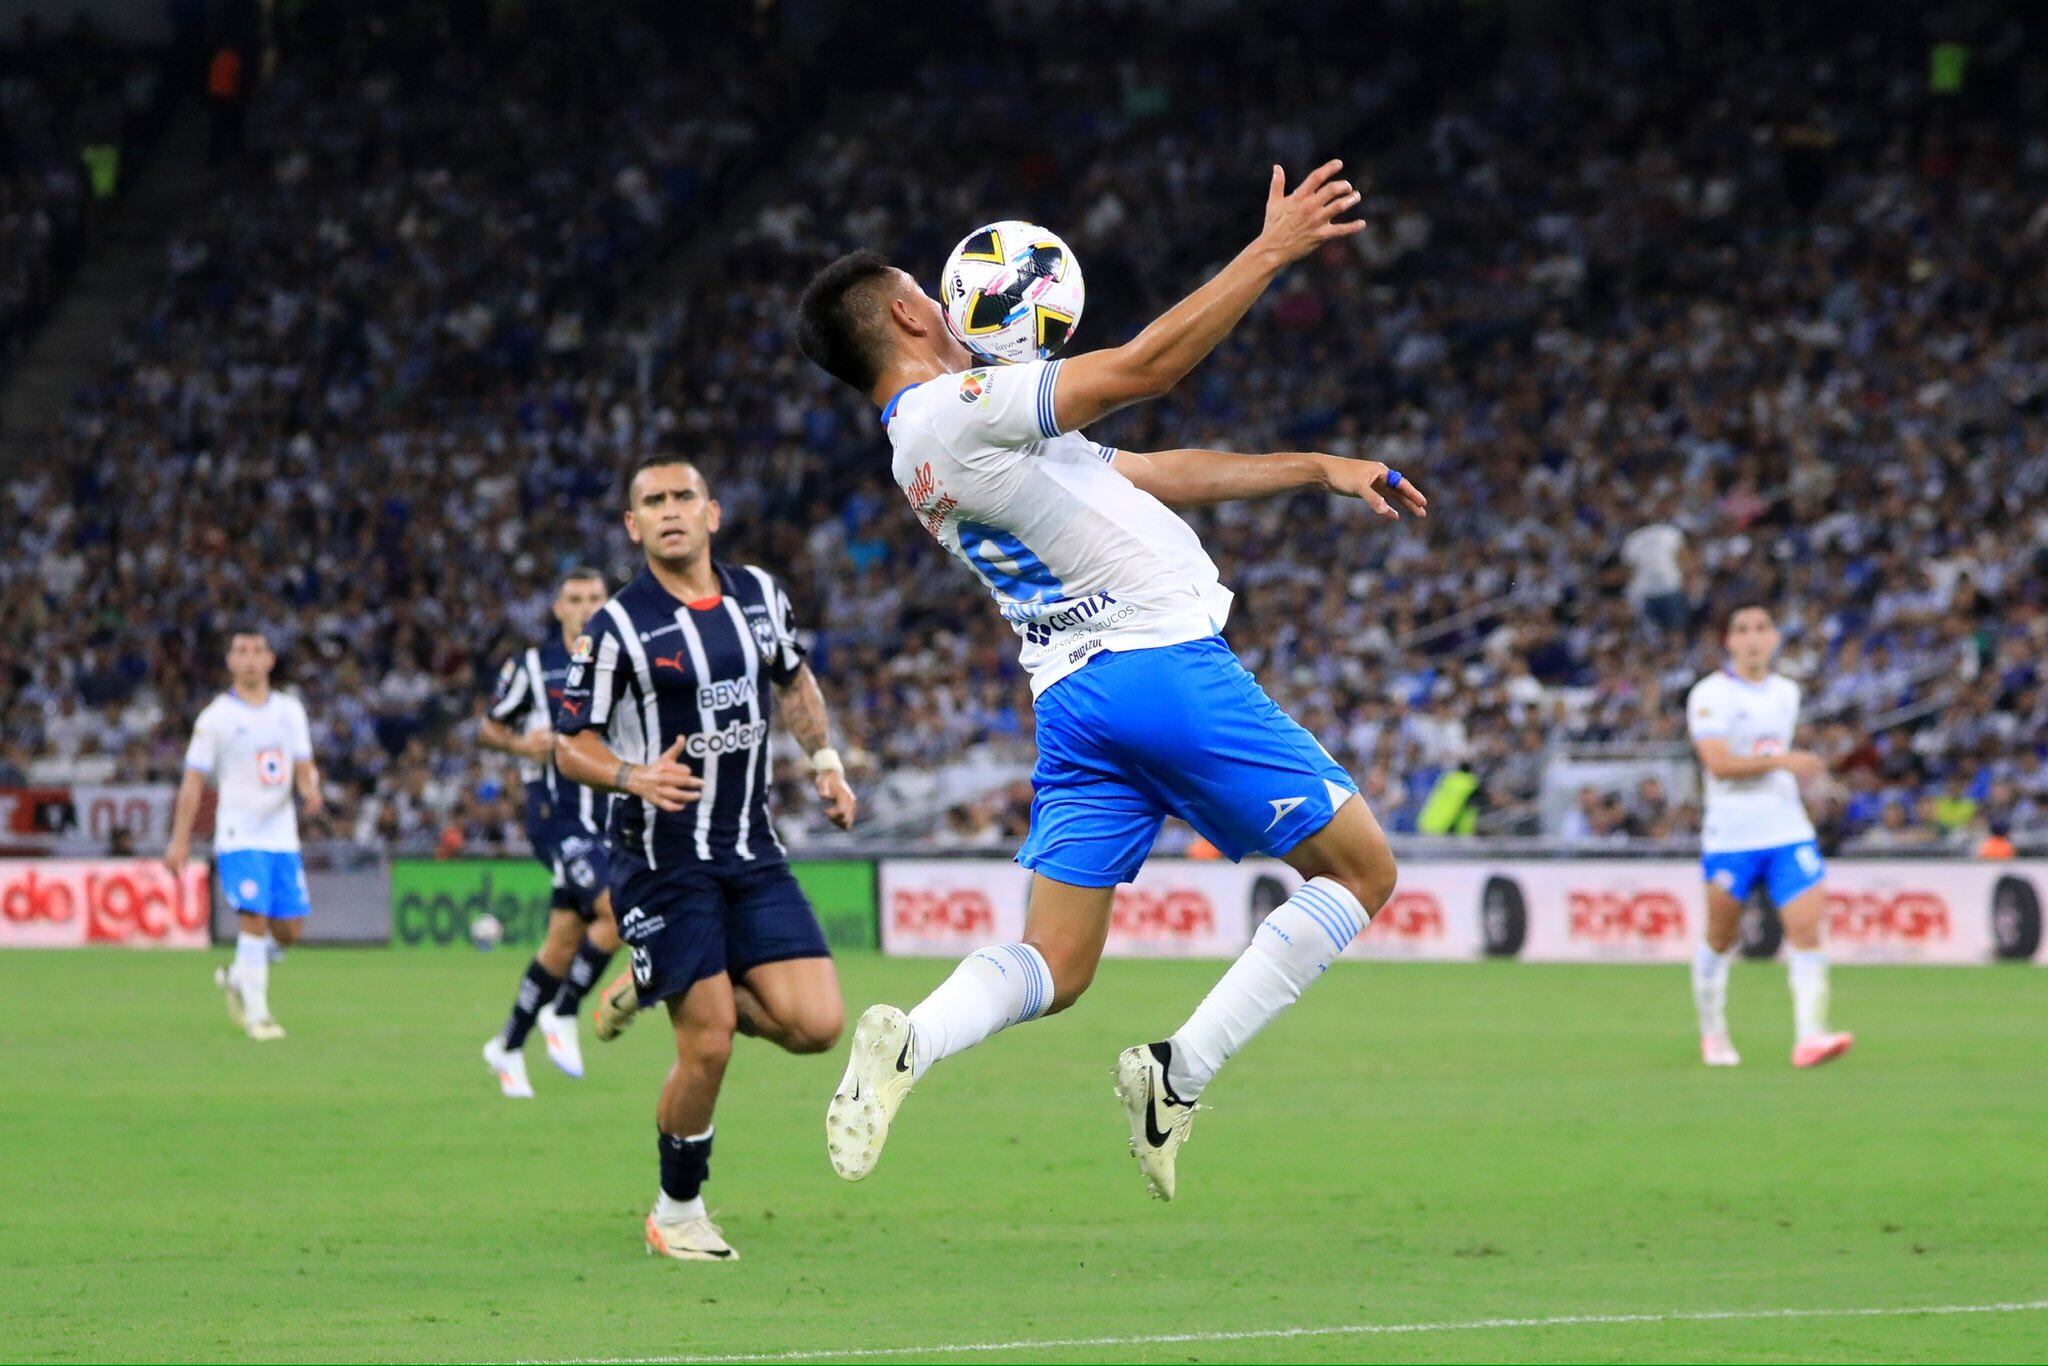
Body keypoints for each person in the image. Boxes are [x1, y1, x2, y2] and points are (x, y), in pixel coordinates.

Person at [795, 160, 1425, 1202]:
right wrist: (1268, 249)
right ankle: (1179, 1072)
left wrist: (1316, 466)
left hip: (1078, 705)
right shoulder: (959, 406)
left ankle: (912, 1038)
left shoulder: (939, 435)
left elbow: (1145, 468)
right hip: (1157, 668)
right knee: (1361, 872)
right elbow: (1141, 367)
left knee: (1057, 962)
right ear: (911, 309)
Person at [554, 456, 859, 1262]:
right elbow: (569, 746)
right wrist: (632, 774)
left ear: (712, 512)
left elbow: (793, 680)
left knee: (818, 1024)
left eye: (682, 496)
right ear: (633, 526)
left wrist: (825, 763)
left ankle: (654, 978)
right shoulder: (617, 627)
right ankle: (676, 1211)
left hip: (753, 850)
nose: (669, 511)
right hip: (662, 860)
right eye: (651, 502)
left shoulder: (759, 594)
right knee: (712, 1040)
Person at [1685, 603, 1853, 1069]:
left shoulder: (1786, 693)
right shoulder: (1709, 695)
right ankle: (1712, 1031)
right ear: (1729, 641)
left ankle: (1810, 1037)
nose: (1753, 637)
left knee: (1806, 930)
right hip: (1731, 834)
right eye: (1742, 629)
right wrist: (1782, 761)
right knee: (1720, 936)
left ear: (1776, 638)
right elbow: (1717, 763)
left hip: (1786, 829)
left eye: (1762, 628)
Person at [476, 568, 621, 1097]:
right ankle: (563, 1012)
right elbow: (488, 726)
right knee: (618, 907)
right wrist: (518, 746)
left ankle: (507, 1046)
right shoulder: (533, 667)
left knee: (562, 944)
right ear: (558, 609)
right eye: (574, 599)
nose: (585, 607)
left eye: (594, 598)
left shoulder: (620, 660)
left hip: (607, 818)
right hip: (555, 819)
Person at [164, 629, 323, 1041]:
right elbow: (193, 782)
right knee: (253, 916)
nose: (249, 658)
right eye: (240, 651)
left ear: (270, 660)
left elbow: (303, 767)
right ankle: (258, 1013)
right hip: (239, 833)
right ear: (230, 662)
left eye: (257, 650)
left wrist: (310, 792)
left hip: (282, 835)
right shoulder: (216, 718)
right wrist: (180, 838)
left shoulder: (290, 711)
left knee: (288, 931)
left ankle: (239, 973)